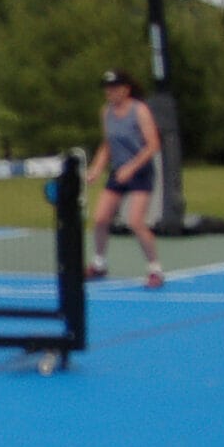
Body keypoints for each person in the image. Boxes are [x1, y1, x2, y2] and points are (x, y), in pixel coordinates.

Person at [86, 69, 164, 288]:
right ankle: (99, 263)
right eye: (107, 88)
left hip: (140, 171)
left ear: (126, 89)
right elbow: (107, 144)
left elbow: (153, 145)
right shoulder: (106, 112)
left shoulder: (140, 111)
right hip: (118, 172)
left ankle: (155, 269)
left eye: (114, 88)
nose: (109, 92)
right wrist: (96, 169)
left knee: (135, 221)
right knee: (100, 219)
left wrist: (131, 167)